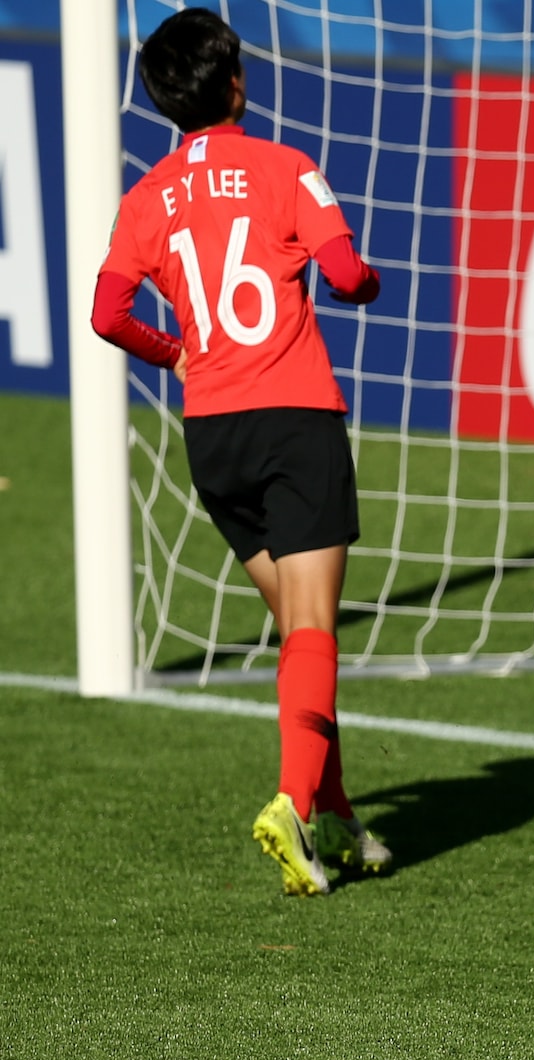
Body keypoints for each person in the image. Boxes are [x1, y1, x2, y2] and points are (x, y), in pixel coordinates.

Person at [91, 7, 391, 896]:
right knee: (313, 629)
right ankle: (293, 805)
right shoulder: (290, 168)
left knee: (300, 634)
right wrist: (368, 280)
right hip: (293, 418)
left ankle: (334, 815)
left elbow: (108, 314)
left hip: (212, 433)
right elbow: (344, 275)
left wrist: (172, 350)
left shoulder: (145, 199)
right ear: (236, 84)